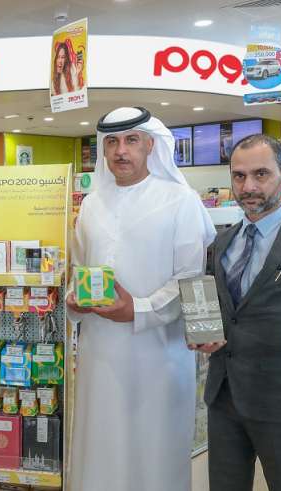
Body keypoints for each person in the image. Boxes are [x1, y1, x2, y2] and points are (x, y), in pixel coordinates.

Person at [65, 107, 216, 491]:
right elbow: (79, 268)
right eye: (112, 142)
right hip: (100, 354)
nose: (121, 151)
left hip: (158, 356)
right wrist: (74, 300)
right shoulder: (91, 205)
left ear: (150, 144)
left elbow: (189, 280)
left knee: (154, 451)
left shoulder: (180, 200)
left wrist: (138, 309)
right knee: (100, 446)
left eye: (131, 140)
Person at [192, 134, 281, 491]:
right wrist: (206, 335)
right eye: (239, 176)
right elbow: (227, 314)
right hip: (224, 400)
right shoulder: (222, 242)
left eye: (261, 174)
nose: (248, 186)